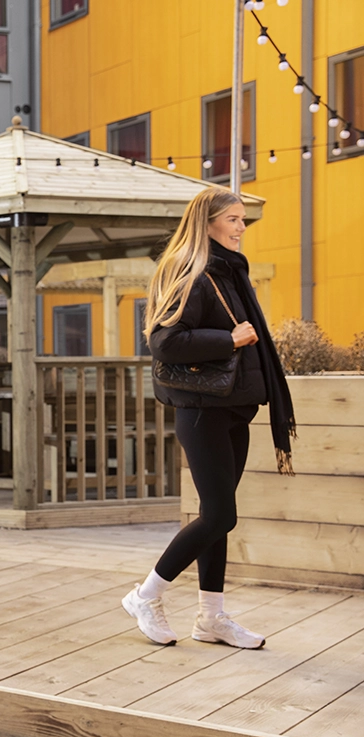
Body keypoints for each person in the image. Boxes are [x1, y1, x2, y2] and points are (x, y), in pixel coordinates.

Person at [123, 187, 295, 650]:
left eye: (243, 219)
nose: (241, 226)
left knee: (215, 516)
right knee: (220, 514)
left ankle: (211, 618)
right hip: (202, 412)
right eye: (234, 219)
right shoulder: (189, 272)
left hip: (234, 408)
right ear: (208, 222)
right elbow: (165, 342)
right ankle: (146, 595)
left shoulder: (230, 271)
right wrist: (230, 340)